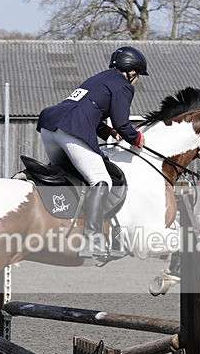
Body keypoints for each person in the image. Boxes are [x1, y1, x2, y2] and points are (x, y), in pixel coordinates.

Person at [36, 46, 149, 257]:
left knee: (68, 175)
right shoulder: (124, 86)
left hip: (50, 126)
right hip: (71, 130)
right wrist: (137, 138)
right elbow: (123, 123)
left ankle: (61, 223)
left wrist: (108, 133)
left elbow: (87, 113)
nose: (138, 80)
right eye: (139, 75)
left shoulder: (97, 79)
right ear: (131, 71)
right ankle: (93, 238)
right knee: (100, 180)